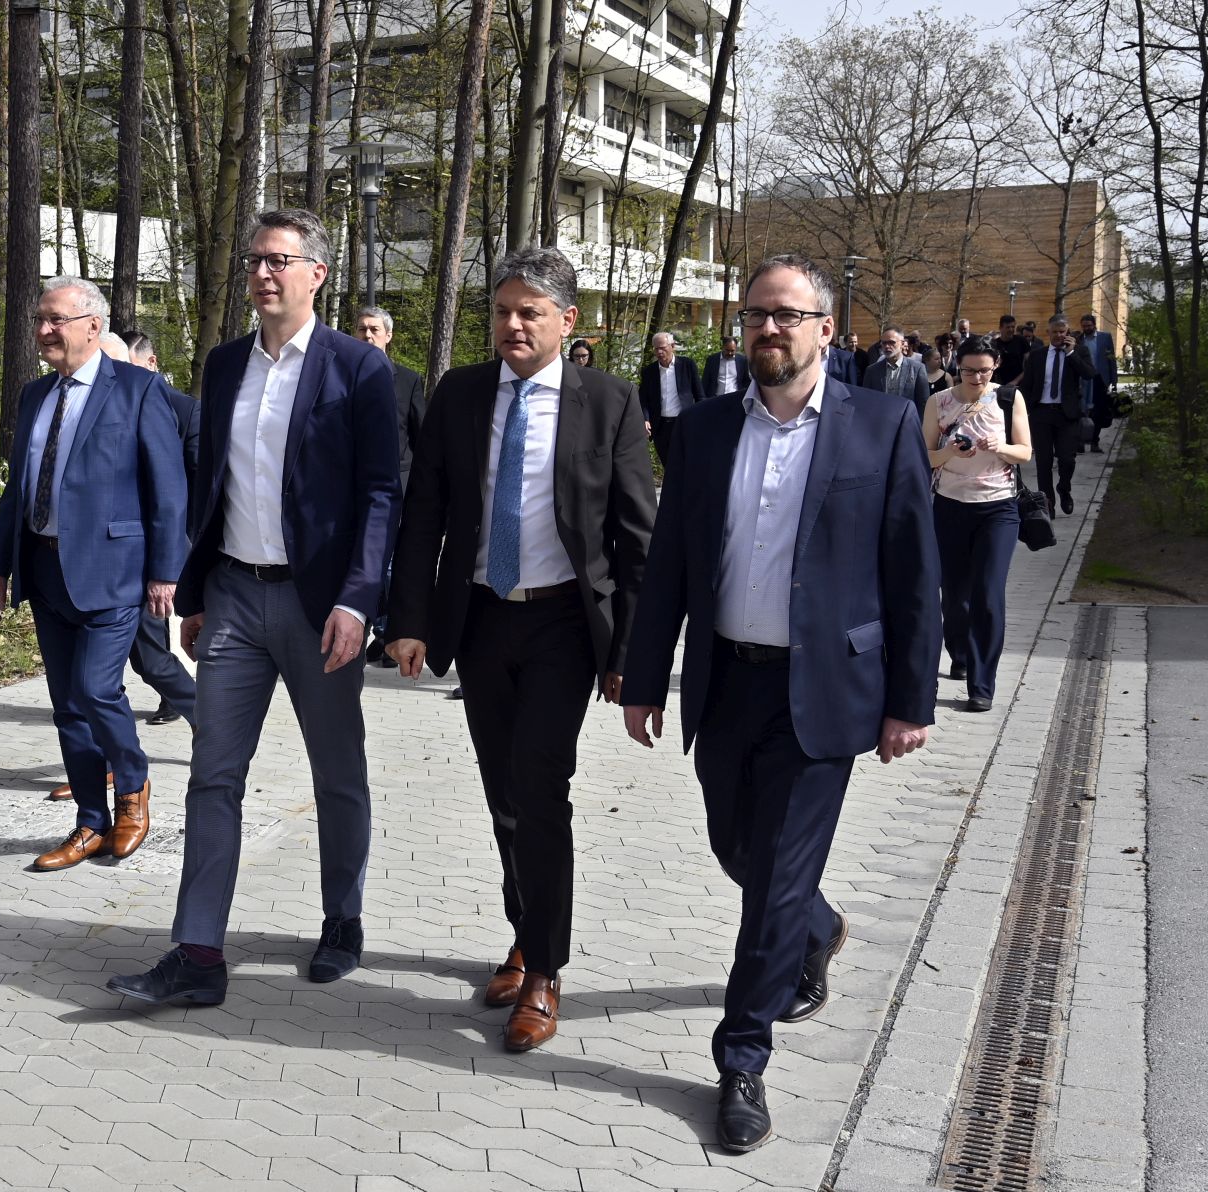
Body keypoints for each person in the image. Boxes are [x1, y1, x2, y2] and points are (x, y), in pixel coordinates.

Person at [620, 253, 941, 1153]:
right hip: (725, 679)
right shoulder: (707, 430)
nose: (770, 329)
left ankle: (741, 1059)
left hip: (825, 690)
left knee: (773, 885)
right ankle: (820, 925)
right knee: (738, 847)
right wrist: (645, 680)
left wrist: (910, 700)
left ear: (826, 330)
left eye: (789, 316)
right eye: (757, 315)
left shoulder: (880, 427)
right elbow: (670, 569)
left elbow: (916, 576)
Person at [107, 208, 399, 1007]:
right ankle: (198, 954)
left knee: (338, 772)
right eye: (255, 261)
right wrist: (195, 594)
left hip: (320, 608)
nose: (264, 274)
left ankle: (343, 917)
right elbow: (212, 486)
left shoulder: (356, 369)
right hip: (235, 595)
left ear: (318, 274)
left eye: (280, 261)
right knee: (213, 777)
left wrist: (358, 600)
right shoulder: (225, 364)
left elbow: (381, 493)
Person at [386, 246, 656, 1052]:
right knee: (502, 790)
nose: (511, 324)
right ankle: (522, 932)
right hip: (481, 620)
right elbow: (424, 515)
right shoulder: (461, 396)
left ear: (567, 322)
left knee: (541, 789)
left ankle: (544, 970)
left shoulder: (608, 402)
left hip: (565, 626)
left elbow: (637, 537)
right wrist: (411, 620)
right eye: (502, 310)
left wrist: (628, 655)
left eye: (529, 312)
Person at [0, 277, 188, 870]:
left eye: (56, 320)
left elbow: (168, 489)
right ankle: (90, 823)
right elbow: (16, 494)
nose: (43, 331)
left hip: (115, 571)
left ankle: (134, 783)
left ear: (92, 327)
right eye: (40, 319)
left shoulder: (139, 389)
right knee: (68, 705)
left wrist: (165, 571)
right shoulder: (33, 396)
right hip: (44, 572)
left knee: (97, 689)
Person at [923, 337, 1032, 712]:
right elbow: (924, 457)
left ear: (996, 365)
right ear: (958, 367)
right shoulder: (939, 402)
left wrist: (998, 448)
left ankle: (981, 685)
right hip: (950, 507)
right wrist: (950, 450)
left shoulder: (1008, 399)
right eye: (969, 370)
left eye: (983, 370)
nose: (976, 377)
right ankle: (961, 654)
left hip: (998, 510)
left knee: (988, 595)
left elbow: (1025, 452)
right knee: (955, 597)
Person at [119, 330, 201, 726]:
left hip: (163, 547)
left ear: (151, 365)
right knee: (136, 658)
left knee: (150, 656)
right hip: (112, 560)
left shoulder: (185, 411)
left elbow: (191, 487)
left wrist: (174, 559)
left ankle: (209, 719)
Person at [354, 305, 426, 666]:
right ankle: (368, 625)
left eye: (374, 330)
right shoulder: (342, 376)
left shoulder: (408, 380)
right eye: (362, 329)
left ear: (388, 335)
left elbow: (422, 436)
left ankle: (386, 633)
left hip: (398, 485)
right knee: (367, 563)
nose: (367, 335)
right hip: (354, 487)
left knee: (392, 565)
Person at [1020, 314, 1096, 517]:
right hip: (1041, 414)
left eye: (1063, 332)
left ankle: (1064, 488)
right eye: (1055, 332)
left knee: (1067, 460)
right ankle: (1048, 503)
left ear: (1068, 332)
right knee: (1043, 462)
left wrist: (1071, 354)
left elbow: (1089, 374)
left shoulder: (1079, 351)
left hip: (1067, 415)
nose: (1059, 336)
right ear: (1048, 332)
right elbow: (1027, 386)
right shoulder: (1037, 355)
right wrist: (1023, 411)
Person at [638, 330, 702, 466]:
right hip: (661, 426)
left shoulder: (687, 365)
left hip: (684, 422)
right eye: (656, 348)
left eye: (662, 347)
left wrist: (701, 420)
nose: (659, 352)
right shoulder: (649, 372)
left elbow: (699, 395)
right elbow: (643, 399)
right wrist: (645, 419)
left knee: (687, 463)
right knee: (668, 464)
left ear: (672, 346)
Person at [862, 324, 929, 418]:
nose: (887, 346)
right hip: (880, 425)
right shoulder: (872, 371)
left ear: (902, 343)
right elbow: (866, 401)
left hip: (907, 424)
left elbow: (923, 403)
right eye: (884, 343)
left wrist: (917, 427)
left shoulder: (917, 369)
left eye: (891, 342)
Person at [1077, 313, 1118, 452]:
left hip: (1100, 379)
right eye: (1084, 326)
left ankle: (1095, 441)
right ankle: (1080, 442)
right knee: (1082, 411)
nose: (1086, 328)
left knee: (1099, 412)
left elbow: (1111, 359)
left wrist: (1113, 380)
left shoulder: (1105, 338)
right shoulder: (1077, 339)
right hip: (1083, 379)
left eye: (1089, 325)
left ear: (1094, 325)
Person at [992, 315, 1025, 386]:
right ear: (1000, 328)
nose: (1011, 329)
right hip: (1000, 383)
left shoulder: (1021, 341)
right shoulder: (994, 344)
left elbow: (1029, 365)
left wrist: (1016, 381)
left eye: (1013, 327)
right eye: (1008, 327)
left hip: (1019, 383)